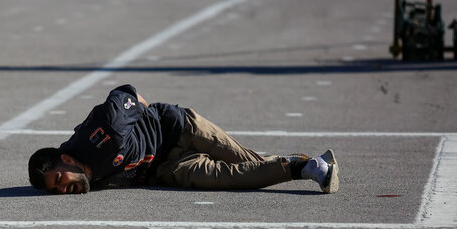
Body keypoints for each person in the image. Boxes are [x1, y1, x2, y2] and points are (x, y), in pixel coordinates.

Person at [28, 84, 338, 195]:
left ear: (66, 160)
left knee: (246, 162)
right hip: (168, 167)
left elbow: (126, 93)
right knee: (236, 178)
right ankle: (306, 167)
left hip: (179, 127)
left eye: (59, 179)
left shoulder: (103, 133)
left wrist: (144, 112)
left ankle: (290, 162)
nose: (64, 188)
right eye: (57, 190)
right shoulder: (80, 173)